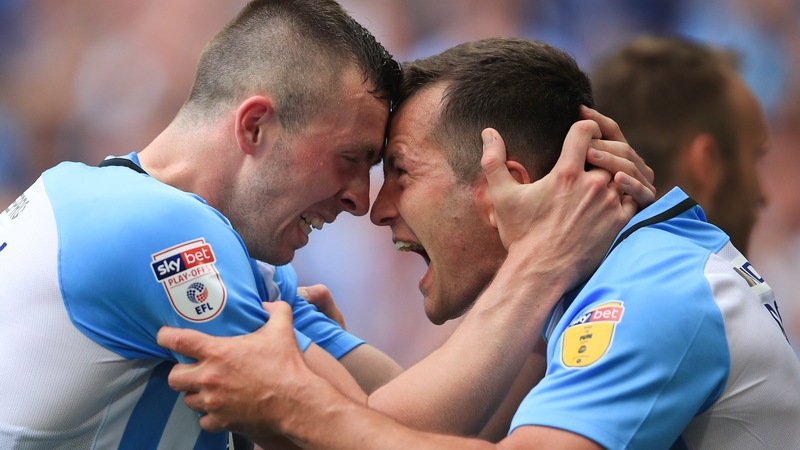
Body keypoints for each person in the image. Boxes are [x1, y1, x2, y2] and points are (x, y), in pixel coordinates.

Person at [0, 2, 653, 449]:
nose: (359, 201)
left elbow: (409, 415)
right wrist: (542, 259)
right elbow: (363, 430)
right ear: (255, 126)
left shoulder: (235, 259)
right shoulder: (159, 235)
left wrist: (564, 279)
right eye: (353, 160)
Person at [160, 38, 800, 449]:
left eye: (402, 174)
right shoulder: (597, 285)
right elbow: (414, 431)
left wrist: (303, 409)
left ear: (504, 184)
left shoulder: (650, 293)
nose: (377, 210)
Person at [591, 36, 769, 254]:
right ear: (708, 163)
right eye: (755, 155)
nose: (763, 196)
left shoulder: (563, 280)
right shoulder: (720, 286)